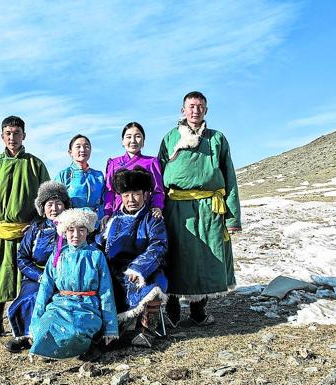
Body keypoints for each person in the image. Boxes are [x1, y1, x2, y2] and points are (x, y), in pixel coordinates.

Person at [158, 91, 241, 327]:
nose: (196, 110)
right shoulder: (169, 138)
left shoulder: (217, 139)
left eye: (200, 106)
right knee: (175, 256)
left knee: (207, 257)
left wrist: (231, 216)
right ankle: (171, 310)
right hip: (176, 207)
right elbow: (159, 176)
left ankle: (198, 310)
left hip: (210, 207)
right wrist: (158, 209)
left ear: (206, 110)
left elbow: (230, 177)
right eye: (191, 106)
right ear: (183, 111)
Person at [0, 115, 50, 341]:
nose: (12, 137)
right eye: (8, 133)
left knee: (26, 280)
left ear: (24, 135)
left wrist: (36, 224)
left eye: (16, 133)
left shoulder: (35, 165)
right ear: (2, 136)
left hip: (25, 233)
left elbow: (45, 198)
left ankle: (26, 325)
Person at [29, 209, 118, 360]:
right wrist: (34, 322)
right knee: (42, 328)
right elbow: (45, 289)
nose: (76, 235)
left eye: (81, 229)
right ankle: (51, 348)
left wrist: (110, 327)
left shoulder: (96, 256)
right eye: (71, 230)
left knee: (74, 331)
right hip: (60, 306)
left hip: (87, 307)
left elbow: (106, 292)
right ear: (64, 232)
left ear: (88, 231)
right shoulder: (57, 256)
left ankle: (84, 347)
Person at [97, 167, 168, 347]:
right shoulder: (113, 219)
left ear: (145, 194)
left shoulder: (152, 218)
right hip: (115, 270)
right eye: (126, 195)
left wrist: (138, 268)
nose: (131, 199)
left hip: (146, 268)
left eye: (136, 194)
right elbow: (99, 244)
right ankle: (113, 327)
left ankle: (146, 329)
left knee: (154, 287)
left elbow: (158, 246)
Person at [4, 181, 70, 353]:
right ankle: (27, 335)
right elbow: (22, 258)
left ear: (66, 205)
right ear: (42, 207)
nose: (54, 208)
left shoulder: (73, 228)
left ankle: (60, 337)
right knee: (32, 296)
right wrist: (41, 276)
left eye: (58, 203)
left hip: (67, 277)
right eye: (49, 204)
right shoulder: (35, 229)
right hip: (37, 277)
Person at [103, 122, 165, 228]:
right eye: (128, 137)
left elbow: (158, 190)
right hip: (119, 213)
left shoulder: (151, 162)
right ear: (123, 141)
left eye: (137, 136)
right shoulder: (113, 163)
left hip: (144, 212)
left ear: (143, 141)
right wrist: (107, 213)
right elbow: (109, 191)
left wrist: (157, 206)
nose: (133, 141)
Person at [55, 134, 105, 228]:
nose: (83, 150)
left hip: (97, 225)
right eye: (78, 146)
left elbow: (105, 201)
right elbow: (55, 203)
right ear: (70, 152)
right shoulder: (63, 175)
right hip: (72, 227)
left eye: (86, 146)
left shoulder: (99, 176)